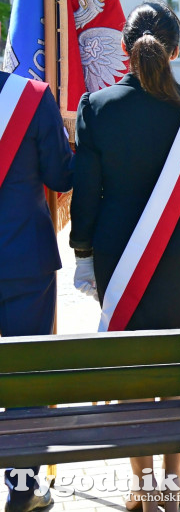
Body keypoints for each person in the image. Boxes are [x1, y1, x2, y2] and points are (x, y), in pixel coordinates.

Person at [69, 0, 180, 512]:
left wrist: (83, 255)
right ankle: (173, 486)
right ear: (177, 50)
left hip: (122, 256)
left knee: (133, 371)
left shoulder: (96, 108)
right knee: (177, 370)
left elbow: (86, 192)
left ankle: (141, 488)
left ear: (125, 49)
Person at [0, 71, 72, 512]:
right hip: (26, 259)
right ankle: (23, 489)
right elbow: (61, 176)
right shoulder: (30, 96)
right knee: (26, 378)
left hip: (27, 261)